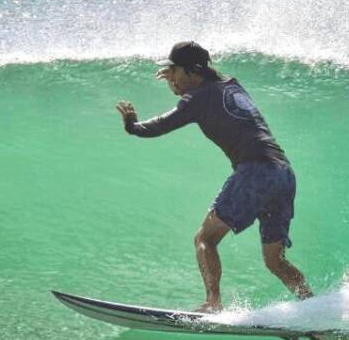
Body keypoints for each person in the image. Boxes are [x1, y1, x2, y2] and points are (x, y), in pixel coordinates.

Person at [116, 41, 314, 313]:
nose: (169, 77)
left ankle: (213, 304)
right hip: (282, 173)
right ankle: (313, 307)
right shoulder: (231, 85)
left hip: (255, 171)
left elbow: (161, 125)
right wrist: (179, 78)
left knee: (204, 239)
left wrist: (133, 127)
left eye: (173, 71)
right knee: (275, 262)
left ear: (192, 71)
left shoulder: (198, 98)